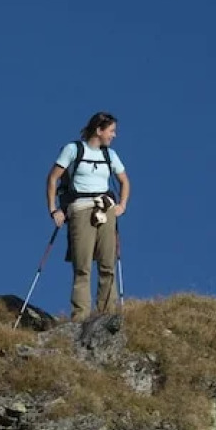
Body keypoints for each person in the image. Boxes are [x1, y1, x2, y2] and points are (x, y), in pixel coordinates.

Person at [46, 112, 130, 320]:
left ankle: (106, 316)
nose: (114, 135)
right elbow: (52, 179)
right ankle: (80, 317)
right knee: (82, 266)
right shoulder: (73, 149)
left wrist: (122, 206)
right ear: (99, 130)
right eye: (111, 131)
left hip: (105, 210)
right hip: (80, 210)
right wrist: (54, 209)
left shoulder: (110, 155)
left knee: (107, 264)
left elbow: (125, 182)